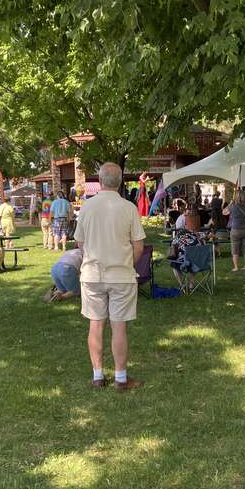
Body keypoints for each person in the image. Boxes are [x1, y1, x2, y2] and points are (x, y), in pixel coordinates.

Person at [73, 162, 146, 392]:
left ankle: (98, 376)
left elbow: (80, 243)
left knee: (96, 324)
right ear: (121, 181)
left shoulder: (87, 207)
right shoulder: (129, 208)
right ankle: (121, 378)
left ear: (100, 181)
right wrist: (126, 264)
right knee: (119, 326)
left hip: (92, 274)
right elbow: (138, 247)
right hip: (121, 275)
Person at [223, 190, 245, 271]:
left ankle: (236, 267)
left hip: (236, 230)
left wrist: (230, 203)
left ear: (235, 197)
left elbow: (224, 212)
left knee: (235, 248)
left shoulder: (233, 206)